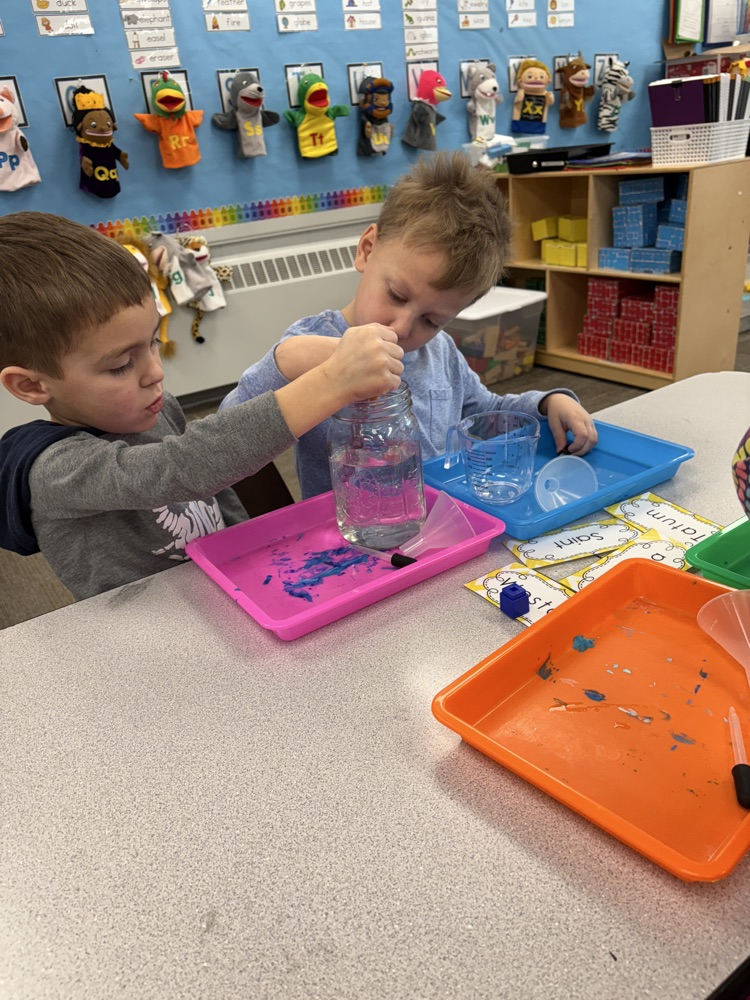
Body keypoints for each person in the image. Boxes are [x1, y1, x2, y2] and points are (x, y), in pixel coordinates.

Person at [0, 212, 404, 600]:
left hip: (221, 592)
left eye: (153, 343)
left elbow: (216, 489)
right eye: (122, 365)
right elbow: (185, 469)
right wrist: (331, 384)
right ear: (31, 385)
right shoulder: (55, 472)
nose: (155, 372)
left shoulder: (158, 408)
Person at [221, 151, 597, 499]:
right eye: (397, 295)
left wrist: (548, 403)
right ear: (367, 249)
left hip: (437, 523)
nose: (402, 328)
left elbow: (485, 414)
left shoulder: (441, 351)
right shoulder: (311, 346)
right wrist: (285, 361)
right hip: (348, 542)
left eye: (431, 320)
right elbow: (228, 428)